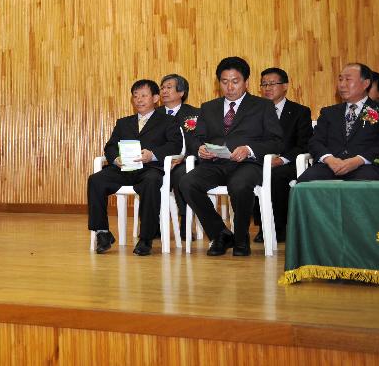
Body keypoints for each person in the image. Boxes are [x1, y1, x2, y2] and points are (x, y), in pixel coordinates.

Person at [179, 57, 283, 257]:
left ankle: (241, 238)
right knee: (187, 183)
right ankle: (220, 234)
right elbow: (196, 138)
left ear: (246, 82)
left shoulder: (262, 106)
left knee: (240, 184)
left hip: (247, 164)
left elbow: (277, 141)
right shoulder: (208, 107)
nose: (230, 87)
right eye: (224, 81)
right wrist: (200, 148)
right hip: (215, 163)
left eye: (235, 81)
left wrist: (249, 149)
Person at [87, 80, 183, 255]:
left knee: (151, 181)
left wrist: (152, 154)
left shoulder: (168, 121)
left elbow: (175, 146)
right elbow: (110, 146)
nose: (138, 100)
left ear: (155, 98)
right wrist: (115, 158)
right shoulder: (123, 123)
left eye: (144, 96)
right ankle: (102, 232)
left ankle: (146, 238)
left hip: (150, 169)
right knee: (96, 180)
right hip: (123, 168)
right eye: (135, 96)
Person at [297, 63, 379, 183]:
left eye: (348, 79)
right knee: (305, 181)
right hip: (329, 166)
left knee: (363, 182)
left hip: (365, 167)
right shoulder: (329, 112)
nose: (342, 84)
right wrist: (330, 159)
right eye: (340, 79)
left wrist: (357, 161)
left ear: (365, 83)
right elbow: (315, 142)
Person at [252, 67, 312, 243]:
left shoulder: (300, 112)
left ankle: (278, 227)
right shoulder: (254, 112)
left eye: (272, 83)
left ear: (285, 86)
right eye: (264, 84)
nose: (267, 88)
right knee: (248, 173)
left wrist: (282, 159)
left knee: (276, 176)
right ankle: (263, 225)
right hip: (260, 161)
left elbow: (304, 143)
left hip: (289, 162)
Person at [159, 74, 200, 240]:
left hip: (186, 161)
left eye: (169, 87)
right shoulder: (154, 114)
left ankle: (185, 222)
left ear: (181, 92)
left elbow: (200, 142)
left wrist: (183, 158)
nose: (164, 91)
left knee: (180, 174)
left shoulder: (195, 114)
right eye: (162, 88)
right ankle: (152, 225)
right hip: (158, 161)